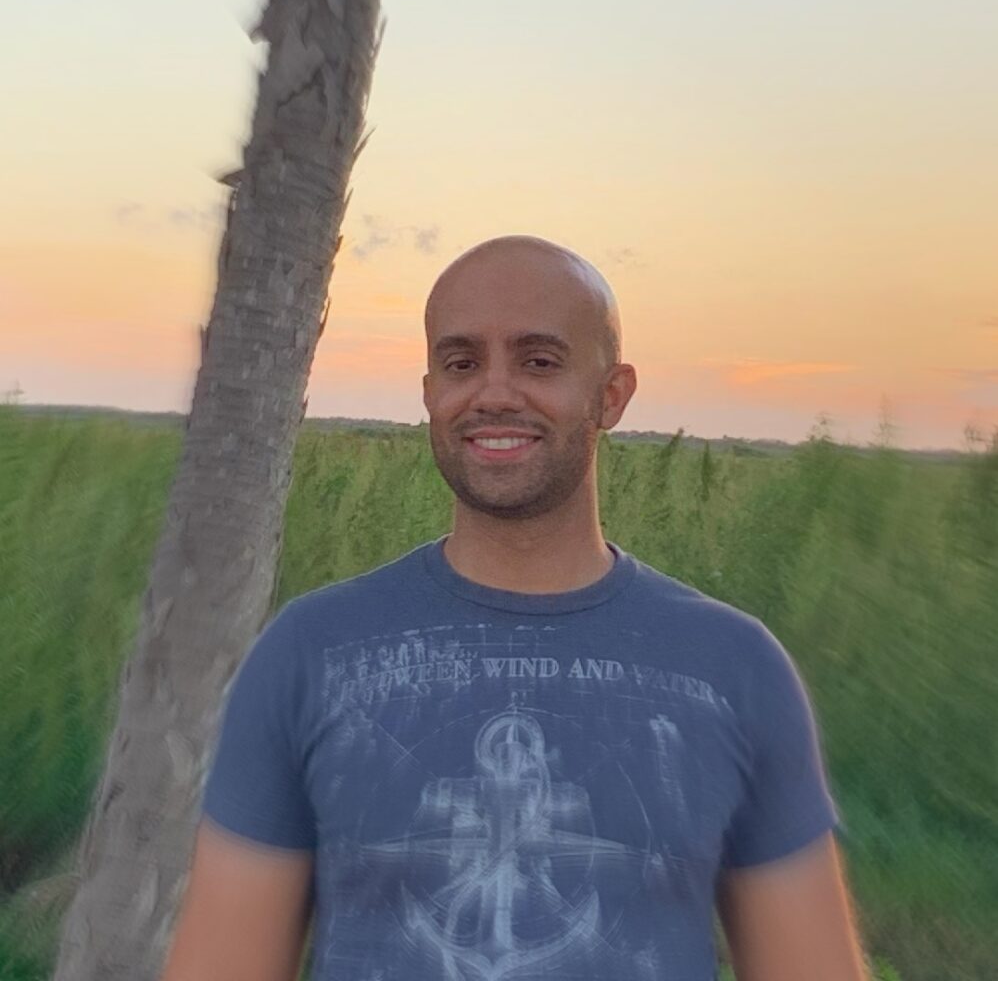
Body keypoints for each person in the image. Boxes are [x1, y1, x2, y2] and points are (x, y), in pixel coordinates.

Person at [161, 235, 869, 981]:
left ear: (613, 395)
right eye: (463, 363)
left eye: (539, 361)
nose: (494, 393)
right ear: (430, 389)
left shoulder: (734, 668)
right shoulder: (309, 653)